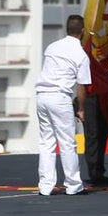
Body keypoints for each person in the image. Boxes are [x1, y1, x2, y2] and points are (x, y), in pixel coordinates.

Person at [35, 14, 91, 196]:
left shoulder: (52, 47)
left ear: (67, 29)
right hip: (60, 98)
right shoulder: (81, 55)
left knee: (46, 143)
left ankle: (46, 185)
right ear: (82, 31)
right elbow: (81, 86)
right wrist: (81, 109)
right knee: (67, 143)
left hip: (42, 96)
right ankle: (73, 185)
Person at [83, 53, 108, 185]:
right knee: (92, 134)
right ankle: (95, 172)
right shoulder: (86, 49)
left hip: (106, 93)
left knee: (103, 132)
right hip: (91, 93)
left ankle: (98, 171)